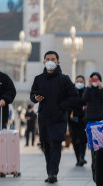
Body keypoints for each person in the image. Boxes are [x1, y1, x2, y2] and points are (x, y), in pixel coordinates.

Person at [30, 51, 78, 183]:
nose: (50, 61)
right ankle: (49, 172)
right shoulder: (38, 79)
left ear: (58, 62)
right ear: (44, 61)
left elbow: (74, 96)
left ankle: (53, 173)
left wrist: (62, 106)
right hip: (44, 118)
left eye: (53, 59)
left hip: (58, 118)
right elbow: (32, 95)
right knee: (46, 146)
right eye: (48, 59)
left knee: (55, 145)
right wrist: (35, 98)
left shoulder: (64, 79)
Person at [68, 75, 88, 166]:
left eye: (81, 81)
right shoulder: (71, 92)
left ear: (84, 83)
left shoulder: (86, 92)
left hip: (83, 120)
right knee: (75, 140)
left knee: (83, 140)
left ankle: (82, 157)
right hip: (72, 120)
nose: (79, 83)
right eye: (77, 81)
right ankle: (78, 158)